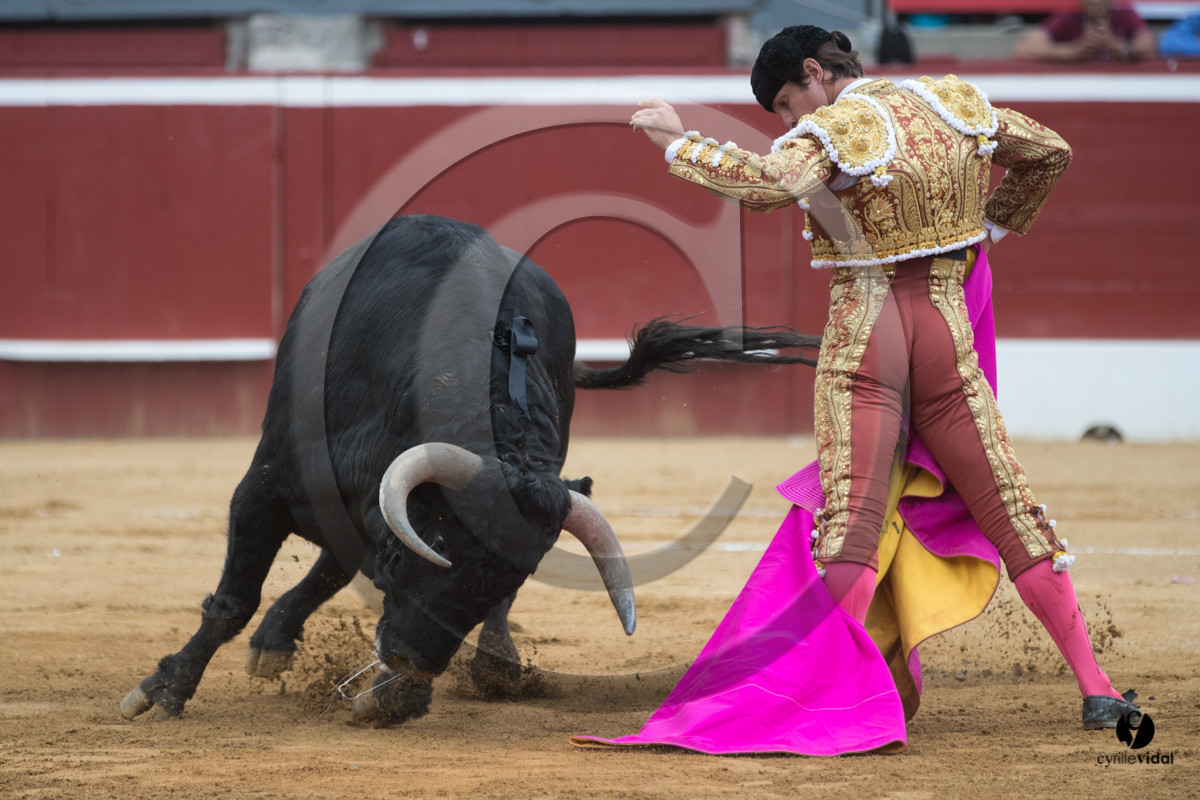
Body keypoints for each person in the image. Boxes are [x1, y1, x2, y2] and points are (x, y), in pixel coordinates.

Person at [572, 25, 1142, 755]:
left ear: (815, 71)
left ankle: (828, 692)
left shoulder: (835, 128)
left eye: (785, 102)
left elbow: (769, 186)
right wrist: (989, 231)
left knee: (853, 518)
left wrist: (678, 143)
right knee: (1010, 508)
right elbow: (1050, 154)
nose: (788, 121)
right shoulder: (955, 102)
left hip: (869, 329)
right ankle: (1096, 687)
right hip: (944, 325)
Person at [1011, 0, 1156, 62]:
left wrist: (1117, 45)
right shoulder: (1070, 14)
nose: (1095, 1)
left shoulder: (1124, 12)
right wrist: (1072, 51)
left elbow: (1149, 47)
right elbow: (1022, 49)